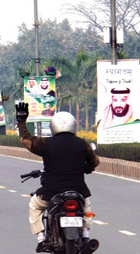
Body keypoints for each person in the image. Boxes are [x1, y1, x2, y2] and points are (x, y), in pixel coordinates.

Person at [15, 102, 99, 252]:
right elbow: (95, 162)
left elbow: (26, 140)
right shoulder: (82, 144)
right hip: (78, 191)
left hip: (51, 193)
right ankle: (85, 235)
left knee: (34, 205)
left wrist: (21, 121)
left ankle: (41, 238)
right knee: (86, 206)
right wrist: (87, 167)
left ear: (53, 127)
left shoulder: (46, 144)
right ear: (73, 126)